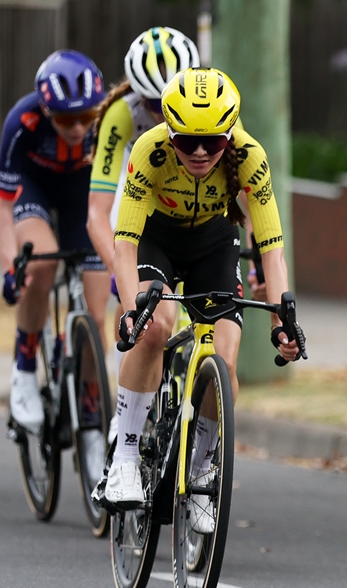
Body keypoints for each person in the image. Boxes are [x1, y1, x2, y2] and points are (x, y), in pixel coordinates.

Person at [102, 67, 302, 519]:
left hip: (214, 242)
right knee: (153, 329)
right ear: (168, 131)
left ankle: (203, 469)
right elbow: (125, 243)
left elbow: (271, 249)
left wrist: (280, 321)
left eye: (211, 141)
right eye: (185, 140)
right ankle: (126, 456)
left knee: (225, 359)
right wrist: (132, 309)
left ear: (229, 136)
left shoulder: (250, 156)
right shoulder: (149, 151)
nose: (197, 151)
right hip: (157, 238)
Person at [0, 50, 107, 433]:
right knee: (40, 264)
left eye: (86, 117)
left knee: (98, 315)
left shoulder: (109, 118)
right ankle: (24, 368)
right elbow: (2, 211)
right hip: (33, 190)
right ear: (44, 110)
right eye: (65, 119)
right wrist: (11, 267)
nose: (77, 128)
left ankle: (90, 404)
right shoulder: (21, 122)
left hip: (83, 197)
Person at [88, 26, 200, 373]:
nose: (162, 112)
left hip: (179, 195)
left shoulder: (207, 105)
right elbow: (97, 213)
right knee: (132, 299)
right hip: (132, 184)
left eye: (169, 101)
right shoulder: (121, 113)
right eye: (153, 104)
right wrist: (117, 267)